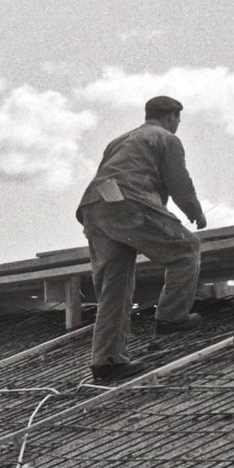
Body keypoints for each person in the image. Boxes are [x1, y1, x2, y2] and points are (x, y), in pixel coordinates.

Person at [76, 95, 207, 383]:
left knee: (114, 288)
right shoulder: (165, 138)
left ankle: (107, 362)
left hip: (95, 208)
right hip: (127, 203)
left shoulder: (120, 140)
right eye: (177, 120)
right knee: (186, 248)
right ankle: (172, 318)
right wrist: (195, 212)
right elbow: (178, 182)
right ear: (172, 117)